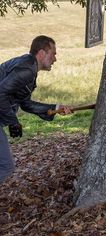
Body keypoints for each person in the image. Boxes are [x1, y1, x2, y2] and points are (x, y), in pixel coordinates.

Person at [0, 35, 73, 184]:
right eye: (53, 54)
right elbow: (0, 92)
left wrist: (56, 108)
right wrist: (13, 122)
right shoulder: (27, 70)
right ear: (41, 53)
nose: (55, 59)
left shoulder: (29, 67)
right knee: (6, 166)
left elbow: (25, 103)